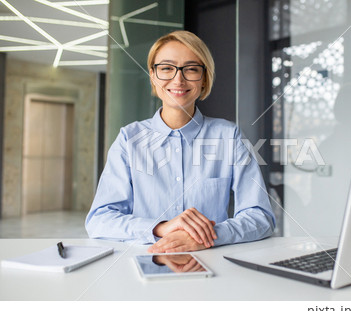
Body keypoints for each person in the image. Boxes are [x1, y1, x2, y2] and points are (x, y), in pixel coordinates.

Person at [85, 30, 275, 252]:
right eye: (166, 68)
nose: (178, 79)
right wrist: (160, 228)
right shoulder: (130, 139)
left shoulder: (228, 136)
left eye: (191, 69)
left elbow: (261, 217)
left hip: (211, 263)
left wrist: (206, 237)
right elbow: (99, 220)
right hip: (146, 259)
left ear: (204, 78)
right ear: (153, 76)